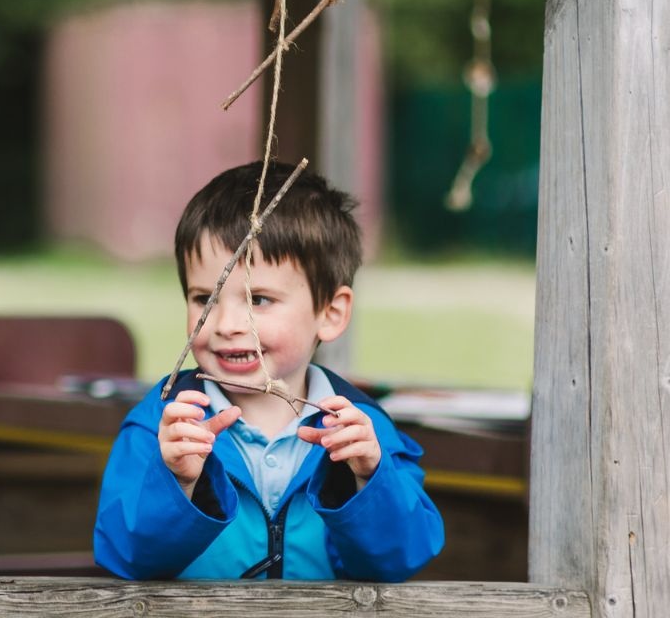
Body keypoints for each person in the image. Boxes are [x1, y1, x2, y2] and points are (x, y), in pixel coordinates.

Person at [93, 161, 443, 580]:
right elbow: (127, 558)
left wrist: (370, 477)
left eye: (257, 300)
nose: (225, 325)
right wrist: (176, 482)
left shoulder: (362, 430)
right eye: (204, 298)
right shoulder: (162, 424)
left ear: (330, 313)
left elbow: (400, 560)